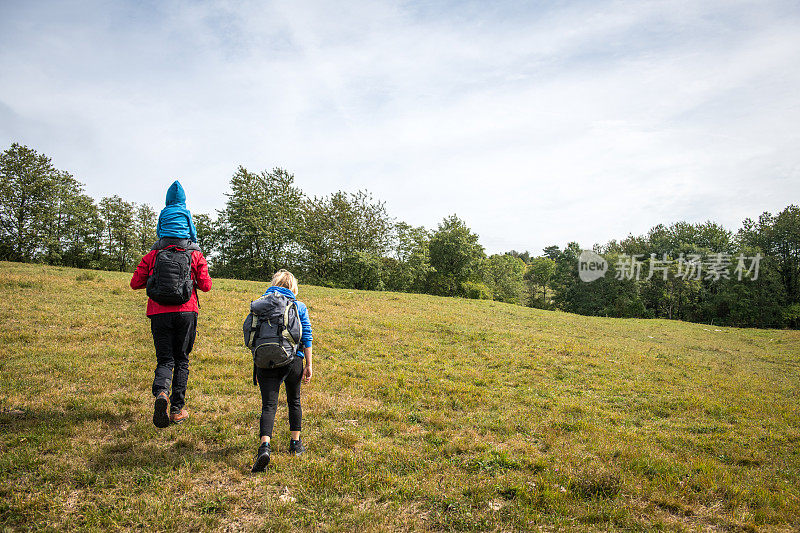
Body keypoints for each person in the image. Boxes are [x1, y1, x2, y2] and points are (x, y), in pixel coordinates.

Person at [130, 181, 212, 428]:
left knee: (165, 359)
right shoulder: (195, 254)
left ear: (162, 224)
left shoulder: (153, 255)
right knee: (182, 360)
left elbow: (135, 283)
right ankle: (177, 410)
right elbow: (206, 286)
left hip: (158, 313)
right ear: (188, 225)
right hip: (187, 312)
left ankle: (162, 393)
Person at [251, 269, 313, 472]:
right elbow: (307, 337)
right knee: (294, 400)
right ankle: (295, 444)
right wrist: (309, 365)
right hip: (293, 360)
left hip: (264, 359)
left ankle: (264, 447)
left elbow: (253, 333)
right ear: (293, 287)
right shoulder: (298, 306)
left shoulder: (261, 303)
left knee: (268, 405)